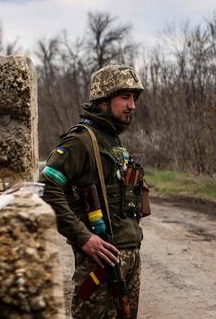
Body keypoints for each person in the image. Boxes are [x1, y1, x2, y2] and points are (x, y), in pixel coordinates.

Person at [39, 65, 148, 318]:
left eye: (134, 98)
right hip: (100, 264)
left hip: (128, 260)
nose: (132, 105)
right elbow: (47, 189)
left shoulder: (112, 141)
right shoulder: (80, 141)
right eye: (125, 97)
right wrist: (83, 238)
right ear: (102, 100)